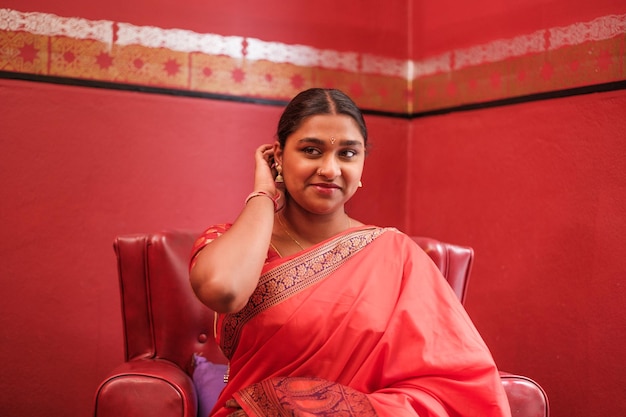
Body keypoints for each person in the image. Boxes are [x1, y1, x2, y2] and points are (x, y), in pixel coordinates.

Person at [189, 88, 511, 416]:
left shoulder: (396, 255)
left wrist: (307, 404)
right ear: (278, 157)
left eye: (347, 154)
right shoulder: (227, 242)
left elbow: (457, 384)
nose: (330, 169)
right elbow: (223, 290)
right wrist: (262, 193)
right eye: (311, 150)